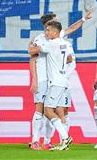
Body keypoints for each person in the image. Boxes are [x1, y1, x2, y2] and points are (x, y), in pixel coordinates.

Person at [28, 13, 91, 150]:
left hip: (55, 80)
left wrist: (83, 19)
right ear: (47, 25)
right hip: (44, 79)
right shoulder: (40, 39)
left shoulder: (55, 39)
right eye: (55, 21)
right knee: (41, 110)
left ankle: (51, 140)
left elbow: (71, 30)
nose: (58, 22)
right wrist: (35, 79)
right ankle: (35, 140)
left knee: (55, 110)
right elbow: (32, 57)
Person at [28, 20, 73, 151]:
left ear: (55, 32)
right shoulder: (65, 43)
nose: (46, 32)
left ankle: (65, 138)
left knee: (47, 111)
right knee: (56, 111)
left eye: (48, 30)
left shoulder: (51, 44)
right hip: (63, 80)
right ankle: (62, 140)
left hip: (55, 82)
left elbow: (32, 51)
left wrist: (31, 43)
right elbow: (69, 58)